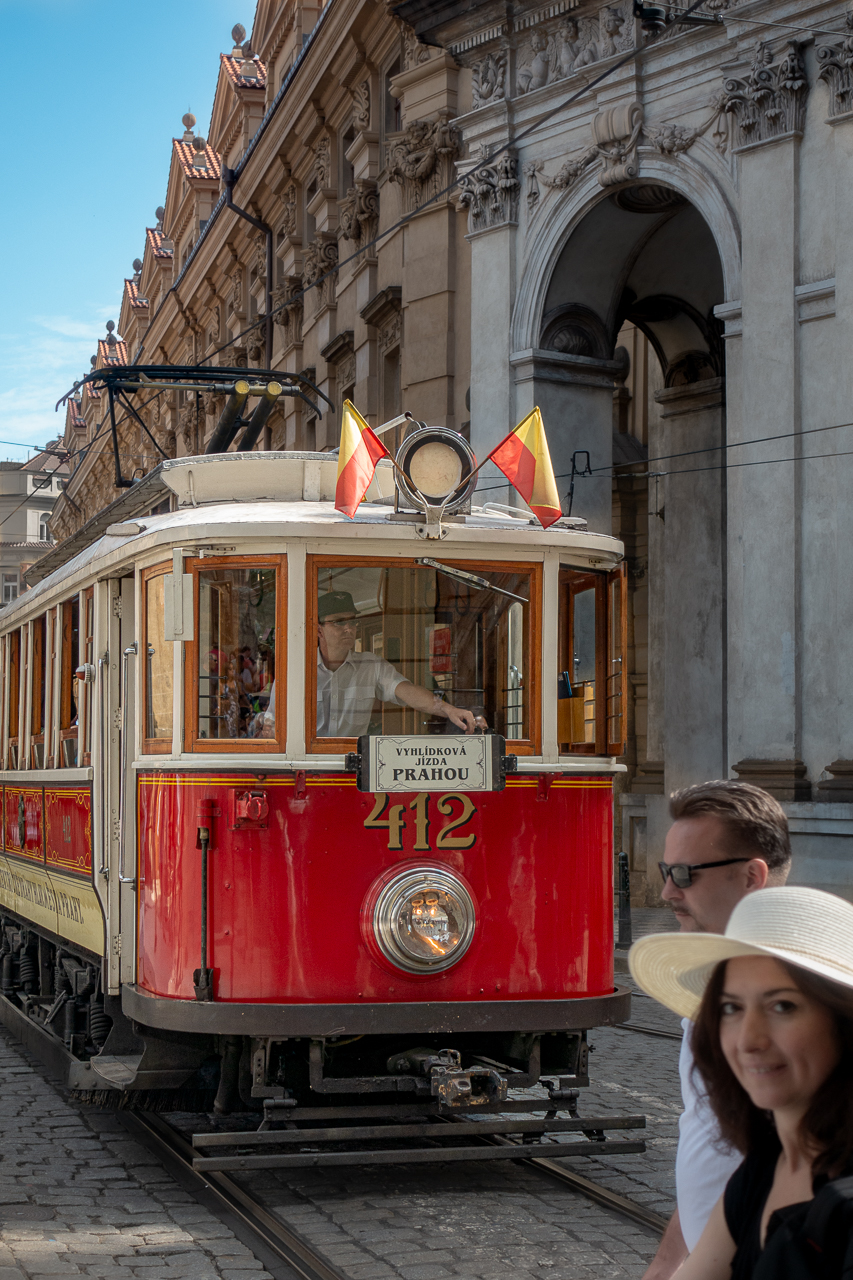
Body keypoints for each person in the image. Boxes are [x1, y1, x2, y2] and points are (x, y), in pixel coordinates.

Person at [629, 886, 853, 1279]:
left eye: (782, 1005)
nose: (749, 1040)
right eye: (731, 1008)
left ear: (843, 1023)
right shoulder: (765, 1169)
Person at [642, 781, 792, 1279]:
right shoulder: (713, 993)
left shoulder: (808, 1014)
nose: (667, 891)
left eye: (684, 874)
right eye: (667, 871)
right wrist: (665, 1268)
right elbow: (712, 1146)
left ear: (752, 876)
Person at [259, 590, 487, 739]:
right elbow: (272, 723)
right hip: (308, 767)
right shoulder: (296, 671)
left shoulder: (370, 665)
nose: (348, 628)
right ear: (319, 629)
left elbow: (405, 690)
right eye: (339, 622)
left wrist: (448, 709)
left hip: (353, 768)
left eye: (353, 622)